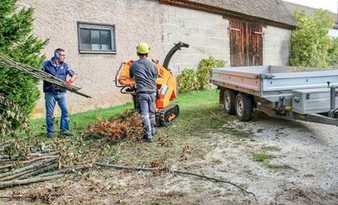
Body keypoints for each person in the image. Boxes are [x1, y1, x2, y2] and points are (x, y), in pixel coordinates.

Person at [42, 48, 77, 138]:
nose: (64, 57)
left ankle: (64, 130)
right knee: (50, 113)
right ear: (57, 55)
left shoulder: (65, 66)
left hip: (62, 92)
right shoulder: (46, 64)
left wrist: (70, 81)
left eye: (64, 55)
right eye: (62, 55)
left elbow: (74, 74)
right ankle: (50, 132)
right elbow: (39, 73)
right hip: (50, 92)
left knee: (65, 111)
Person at [130, 42, 158, 142]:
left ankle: (148, 135)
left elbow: (131, 77)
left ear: (138, 53)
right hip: (152, 92)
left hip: (142, 93)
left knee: (145, 114)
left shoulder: (134, 65)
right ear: (147, 53)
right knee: (152, 113)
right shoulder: (153, 65)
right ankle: (153, 130)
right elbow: (155, 77)